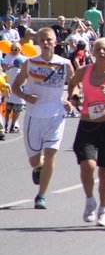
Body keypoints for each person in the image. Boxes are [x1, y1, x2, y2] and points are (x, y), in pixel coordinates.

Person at [12, 27, 75, 209]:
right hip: (34, 115)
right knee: (35, 160)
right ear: (38, 43)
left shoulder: (64, 64)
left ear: (56, 42)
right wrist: (25, 97)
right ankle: (38, 168)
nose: (46, 43)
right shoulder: (30, 63)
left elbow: (74, 85)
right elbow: (15, 86)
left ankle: (41, 195)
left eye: (49, 40)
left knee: (50, 155)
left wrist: (69, 100)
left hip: (56, 115)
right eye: (43, 40)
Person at [67, 38, 105, 227]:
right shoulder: (85, 71)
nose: (101, 52)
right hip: (87, 125)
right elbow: (73, 83)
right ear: (92, 52)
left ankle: (103, 210)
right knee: (88, 166)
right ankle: (90, 200)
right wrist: (74, 96)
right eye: (98, 49)